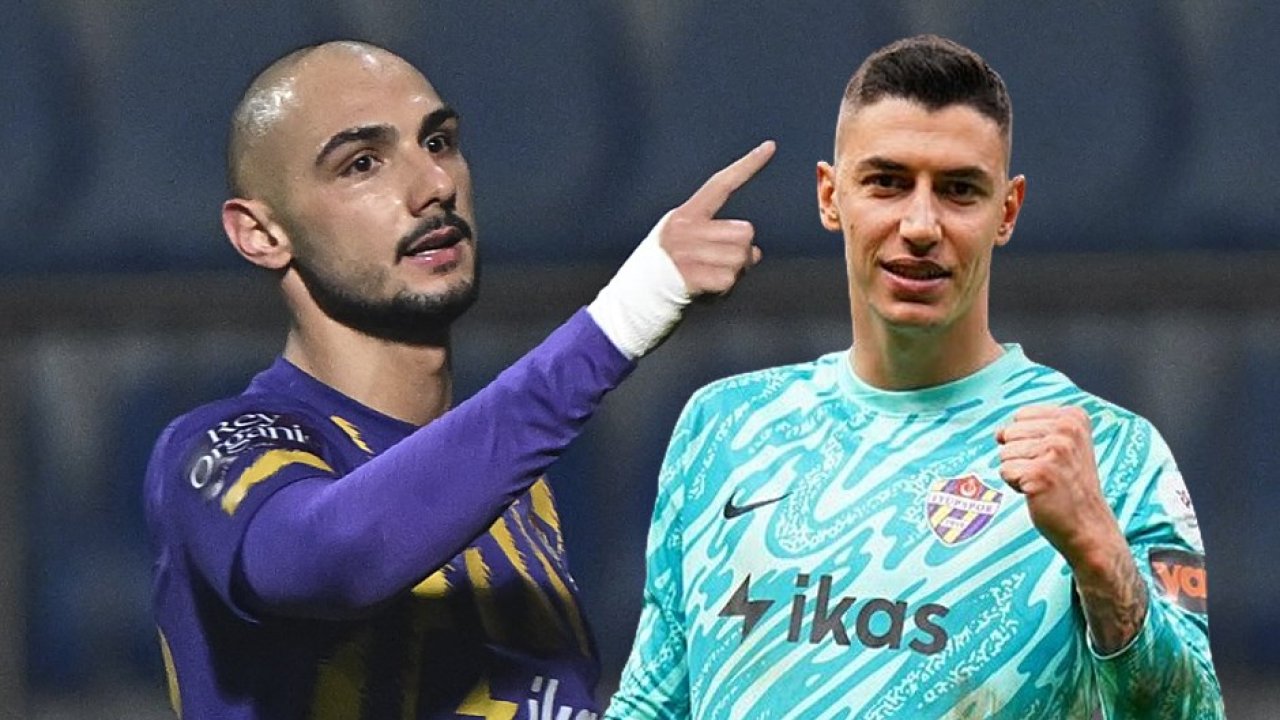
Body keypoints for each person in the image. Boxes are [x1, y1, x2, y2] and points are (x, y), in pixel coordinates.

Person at [143, 39, 775, 719]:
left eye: (438, 142)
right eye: (362, 163)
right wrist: (622, 319)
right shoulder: (215, 448)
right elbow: (332, 559)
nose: (433, 186)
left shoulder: (512, 487)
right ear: (261, 234)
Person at [606, 35, 1224, 719]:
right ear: (830, 196)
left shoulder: (1111, 455)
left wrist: (1103, 560)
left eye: (959, 190)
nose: (921, 224)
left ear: (1007, 212)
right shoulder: (725, 427)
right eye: (888, 182)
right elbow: (652, 704)